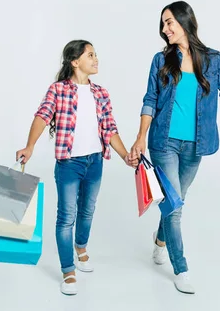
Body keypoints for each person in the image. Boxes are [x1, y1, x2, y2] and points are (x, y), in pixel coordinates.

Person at [129, 1, 220, 294]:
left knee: (177, 199)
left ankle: (160, 241)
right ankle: (181, 268)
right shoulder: (161, 61)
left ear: (185, 21)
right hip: (164, 142)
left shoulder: (213, 60)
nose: (165, 29)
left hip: (197, 145)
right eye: (163, 24)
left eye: (169, 22)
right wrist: (140, 137)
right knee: (173, 207)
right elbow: (149, 99)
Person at [16, 40, 138, 296]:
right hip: (69, 163)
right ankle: (68, 269)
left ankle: (80, 247)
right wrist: (30, 146)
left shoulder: (101, 93)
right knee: (66, 216)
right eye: (90, 55)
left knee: (88, 210)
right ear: (75, 61)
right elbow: (42, 116)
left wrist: (126, 154)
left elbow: (110, 129)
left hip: (94, 161)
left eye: (96, 55)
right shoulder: (58, 90)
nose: (96, 59)